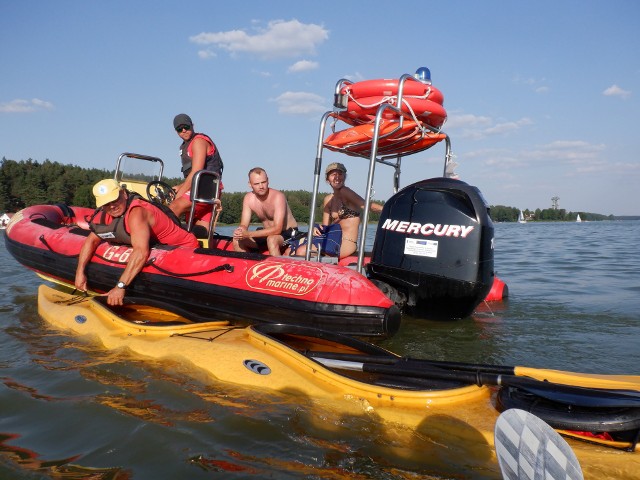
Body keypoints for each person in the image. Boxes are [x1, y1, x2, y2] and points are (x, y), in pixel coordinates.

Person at [75, 179, 199, 306]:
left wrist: (120, 286)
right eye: (106, 203)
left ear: (123, 194)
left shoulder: (137, 212)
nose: (112, 206)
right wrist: (80, 272)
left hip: (184, 250)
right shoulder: (105, 214)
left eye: (115, 199)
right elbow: (91, 241)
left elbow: (141, 252)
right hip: (159, 247)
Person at [294, 162, 383, 258]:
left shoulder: (345, 191)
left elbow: (366, 205)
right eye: (333, 174)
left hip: (347, 243)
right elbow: (325, 227)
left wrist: (390, 209)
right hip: (331, 239)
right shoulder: (328, 200)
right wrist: (315, 228)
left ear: (345, 177)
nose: (337, 177)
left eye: (340, 174)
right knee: (291, 249)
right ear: (327, 179)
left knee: (302, 251)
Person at [170, 113, 224, 228]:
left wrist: (178, 196)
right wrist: (179, 187)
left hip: (205, 191)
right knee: (200, 232)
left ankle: (160, 240)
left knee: (174, 207)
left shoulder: (198, 142)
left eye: (186, 127)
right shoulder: (185, 145)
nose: (184, 130)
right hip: (205, 190)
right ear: (176, 132)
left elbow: (196, 172)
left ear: (192, 125)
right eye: (180, 129)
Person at [233, 167, 299, 256]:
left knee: (272, 240)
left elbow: (277, 229)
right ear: (250, 184)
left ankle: (276, 268)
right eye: (256, 184)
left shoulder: (278, 197)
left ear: (268, 180)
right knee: (237, 239)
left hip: (287, 233)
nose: (261, 186)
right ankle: (246, 267)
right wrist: (240, 231)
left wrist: (248, 234)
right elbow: (244, 224)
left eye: (263, 182)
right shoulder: (248, 198)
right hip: (267, 233)